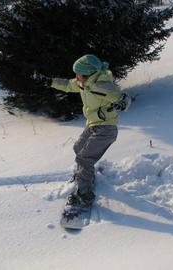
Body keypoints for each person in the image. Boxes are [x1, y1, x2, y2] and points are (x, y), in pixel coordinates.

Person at [49, 54, 131, 210]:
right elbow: (67, 84)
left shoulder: (102, 85)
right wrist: (50, 81)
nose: (76, 77)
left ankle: (84, 194)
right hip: (93, 125)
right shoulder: (83, 83)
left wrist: (122, 103)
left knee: (84, 158)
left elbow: (125, 98)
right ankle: (86, 175)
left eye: (78, 74)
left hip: (106, 128)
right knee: (78, 148)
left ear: (88, 74)